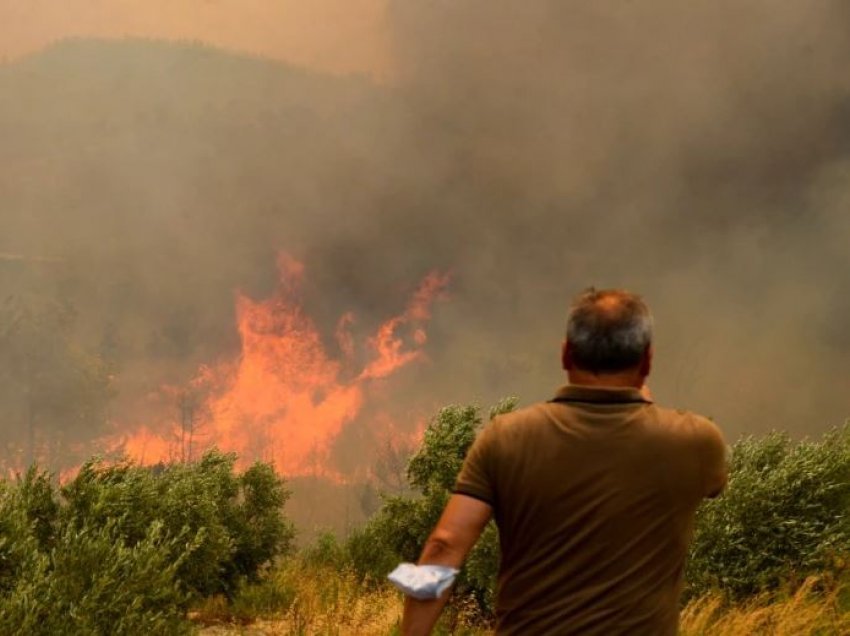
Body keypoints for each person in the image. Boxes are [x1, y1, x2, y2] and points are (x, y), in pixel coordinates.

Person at [399, 288, 728, 635]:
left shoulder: (505, 438)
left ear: (566, 354)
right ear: (647, 360)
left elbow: (444, 545)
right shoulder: (696, 441)